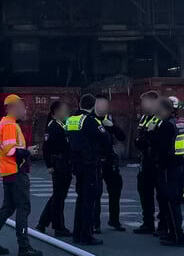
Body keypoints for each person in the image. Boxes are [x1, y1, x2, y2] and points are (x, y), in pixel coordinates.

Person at [0, 94, 43, 256]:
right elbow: (10, 151)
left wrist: (25, 150)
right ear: (12, 108)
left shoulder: (4, 124)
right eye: (21, 107)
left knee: (8, 208)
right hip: (16, 172)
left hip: (8, 172)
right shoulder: (10, 125)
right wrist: (28, 151)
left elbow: (8, 149)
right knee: (23, 208)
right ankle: (24, 247)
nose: (24, 110)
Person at [66, 93, 104, 245]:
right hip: (89, 164)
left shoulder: (71, 119)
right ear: (93, 106)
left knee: (81, 198)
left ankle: (78, 233)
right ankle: (87, 235)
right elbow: (105, 138)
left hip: (77, 164)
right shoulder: (89, 121)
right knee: (89, 200)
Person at [36, 100, 73, 237]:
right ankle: (59, 227)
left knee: (58, 195)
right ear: (55, 112)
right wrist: (49, 165)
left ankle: (43, 222)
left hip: (64, 164)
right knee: (59, 197)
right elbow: (46, 148)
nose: (67, 113)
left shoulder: (62, 125)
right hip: (59, 164)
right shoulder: (53, 126)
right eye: (64, 110)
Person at [153, 98, 184, 246]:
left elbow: (160, 146)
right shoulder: (178, 123)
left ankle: (177, 236)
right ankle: (174, 234)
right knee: (175, 203)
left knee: (171, 203)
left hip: (168, 167)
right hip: (179, 164)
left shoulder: (166, 125)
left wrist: (151, 132)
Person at [94, 94, 126, 232]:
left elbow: (122, 137)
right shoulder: (90, 119)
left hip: (110, 159)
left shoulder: (109, 119)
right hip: (96, 159)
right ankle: (95, 223)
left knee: (115, 189)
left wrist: (112, 126)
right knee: (96, 192)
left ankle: (114, 220)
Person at [133, 91, 161, 235]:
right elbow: (140, 138)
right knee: (144, 193)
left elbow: (158, 141)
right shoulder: (144, 118)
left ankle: (163, 225)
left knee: (161, 196)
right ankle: (148, 223)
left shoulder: (159, 118)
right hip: (145, 161)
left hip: (156, 162)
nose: (142, 105)